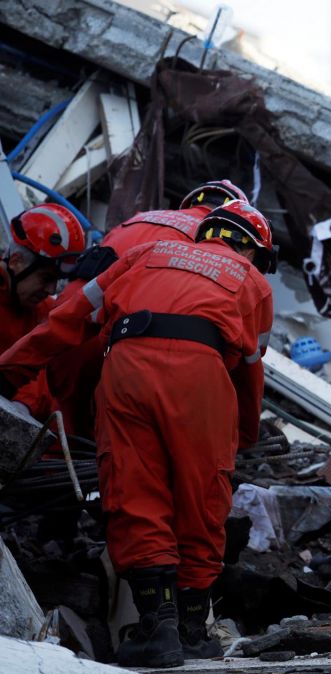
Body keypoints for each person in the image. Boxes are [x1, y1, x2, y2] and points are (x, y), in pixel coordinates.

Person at [0, 200, 275, 667]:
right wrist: (243, 432)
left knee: (134, 488)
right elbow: (250, 374)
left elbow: (69, 319)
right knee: (202, 493)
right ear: (254, 252)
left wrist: (10, 366)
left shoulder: (146, 254)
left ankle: (156, 629)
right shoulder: (253, 284)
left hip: (127, 365)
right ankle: (193, 630)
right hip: (201, 374)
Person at [46, 180, 251, 438]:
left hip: (66, 327)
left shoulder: (139, 219)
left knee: (54, 426)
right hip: (121, 350)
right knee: (101, 449)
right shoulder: (212, 248)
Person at [0, 203, 86, 418]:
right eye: (46, 278)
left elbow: (43, 371)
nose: (50, 291)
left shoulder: (43, 311)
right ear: (16, 261)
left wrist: (22, 407)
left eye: (56, 281)